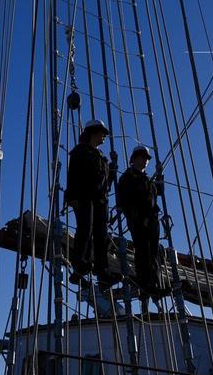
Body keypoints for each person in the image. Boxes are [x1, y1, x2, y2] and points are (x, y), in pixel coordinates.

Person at [66, 120, 117, 285]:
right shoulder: (80, 152)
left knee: (102, 236)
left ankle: (102, 271)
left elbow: (106, 184)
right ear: (93, 133)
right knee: (85, 230)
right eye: (102, 133)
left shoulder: (102, 158)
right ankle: (80, 265)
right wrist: (71, 197)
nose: (104, 136)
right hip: (84, 196)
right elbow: (73, 175)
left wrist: (113, 168)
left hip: (100, 200)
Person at [117, 145, 164, 297]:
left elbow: (159, 191)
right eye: (142, 157)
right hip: (139, 220)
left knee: (153, 252)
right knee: (144, 251)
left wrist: (159, 175)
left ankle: (154, 284)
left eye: (146, 159)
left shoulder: (147, 179)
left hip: (152, 219)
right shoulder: (128, 177)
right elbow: (124, 201)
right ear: (134, 159)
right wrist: (135, 216)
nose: (145, 161)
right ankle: (145, 283)